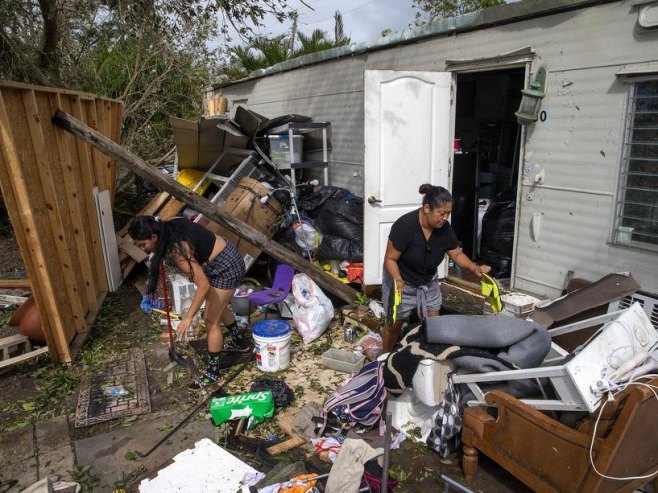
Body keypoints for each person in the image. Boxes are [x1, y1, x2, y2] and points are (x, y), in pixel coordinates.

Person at [129, 215, 246, 390]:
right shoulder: (168, 224)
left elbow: (203, 285)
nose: (142, 248)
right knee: (217, 305)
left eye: (143, 244)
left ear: (153, 237)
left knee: (210, 320)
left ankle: (213, 372)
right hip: (221, 256)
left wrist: (188, 317)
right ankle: (239, 342)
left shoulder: (178, 252)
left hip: (226, 267)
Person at [381, 184, 491, 352]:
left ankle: (428, 356)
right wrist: (397, 279)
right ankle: (384, 355)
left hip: (427, 281)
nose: (445, 218)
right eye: (441, 213)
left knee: (434, 325)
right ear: (427, 208)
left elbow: (456, 254)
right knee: (394, 324)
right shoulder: (405, 226)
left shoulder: (444, 229)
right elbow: (389, 259)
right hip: (402, 282)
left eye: (448, 214)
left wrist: (473, 267)